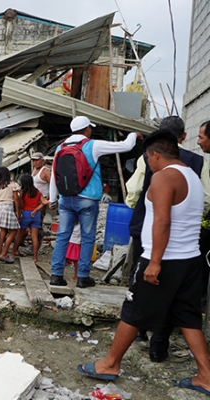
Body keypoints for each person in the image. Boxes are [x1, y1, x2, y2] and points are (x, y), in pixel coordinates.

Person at [77, 130, 210, 397]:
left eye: (148, 159)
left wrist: (155, 262)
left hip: (164, 259)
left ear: (156, 155)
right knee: (187, 316)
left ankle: (110, 364)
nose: (149, 164)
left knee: (133, 310)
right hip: (191, 259)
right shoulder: (193, 177)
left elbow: (162, 221)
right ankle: (206, 377)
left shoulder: (163, 177)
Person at [125, 116, 210, 358]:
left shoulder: (159, 168)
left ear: (155, 154)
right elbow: (206, 200)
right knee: (184, 311)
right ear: (182, 137)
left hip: (160, 248)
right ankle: (160, 347)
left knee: (137, 302)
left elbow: (139, 197)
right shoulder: (195, 165)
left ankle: (116, 358)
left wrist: (154, 260)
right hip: (190, 251)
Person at [49, 116, 139, 288]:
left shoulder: (60, 147)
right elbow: (126, 146)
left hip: (65, 199)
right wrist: (133, 134)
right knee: (87, 237)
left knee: (62, 237)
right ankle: (83, 276)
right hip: (88, 200)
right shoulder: (93, 145)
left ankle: (56, 275)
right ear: (87, 129)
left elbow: (54, 174)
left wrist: (53, 199)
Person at [12, 174, 48, 263]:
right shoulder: (38, 192)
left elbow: (20, 205)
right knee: (34, 237)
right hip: (36, 215)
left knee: (19, 235)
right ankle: (35, 258)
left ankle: (13, 252)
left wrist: (18, 214)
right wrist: (36, 209)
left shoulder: (23, 192)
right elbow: (44, 202)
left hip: (26, 214)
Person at [0, 167, 21, 264]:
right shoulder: (13, 184)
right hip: (8, 208)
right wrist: (17, 210)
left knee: (2, 231)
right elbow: (16, 199)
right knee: (13, 231)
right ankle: (4, 253)